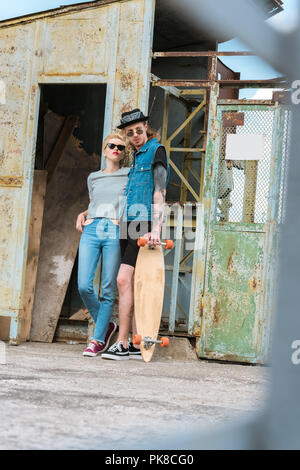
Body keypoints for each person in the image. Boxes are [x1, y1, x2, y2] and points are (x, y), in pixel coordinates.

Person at [102, 109, 169, 361]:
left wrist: (156, 229)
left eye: (138, 131)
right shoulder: (136, 157)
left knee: (123, 279)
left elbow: (159, 191)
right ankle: (132, 343)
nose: (135, 136)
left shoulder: (156, 150)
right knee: (128, 282)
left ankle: (121, 341)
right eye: (130, 134)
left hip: (143, 224)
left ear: (146, 128)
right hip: (128, 223)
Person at [76, 133, 130, 357]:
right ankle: (106, 325)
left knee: (108, 288)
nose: (116, 149)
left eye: (121, 147)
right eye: (112, 145)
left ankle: (97, 340)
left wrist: (123, 219)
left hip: (114, 230)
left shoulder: (129, 174)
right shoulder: (93, 177)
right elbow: (96, 203)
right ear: (105, 150)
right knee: (83, 285)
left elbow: (132, 198)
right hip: (91, 229)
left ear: (124, 153)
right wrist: (84, 213)